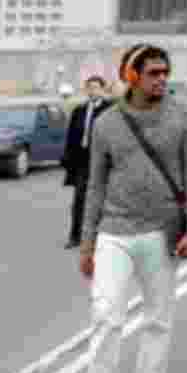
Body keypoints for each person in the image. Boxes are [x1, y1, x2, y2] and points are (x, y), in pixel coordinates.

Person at [69, 44, 187, 373]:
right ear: (131, 76)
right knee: (105, 319)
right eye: (152, 73)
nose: (161, 79)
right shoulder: (108, 124)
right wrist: (87, 242)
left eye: (165, 72)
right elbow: (94, 184)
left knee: (156, 323)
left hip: (163, 233)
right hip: (113, 231)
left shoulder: (186, 115)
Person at [62, 76, 113, 249]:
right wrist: (67, 160)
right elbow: (70, 137)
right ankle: (75, 236)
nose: (93, 91)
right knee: (79, 201)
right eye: (90, 88)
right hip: (82, 161)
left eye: (96, 88)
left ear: (102, 90)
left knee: (101, 202)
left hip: (101, 162)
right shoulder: (79, 110)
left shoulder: (110, 111)